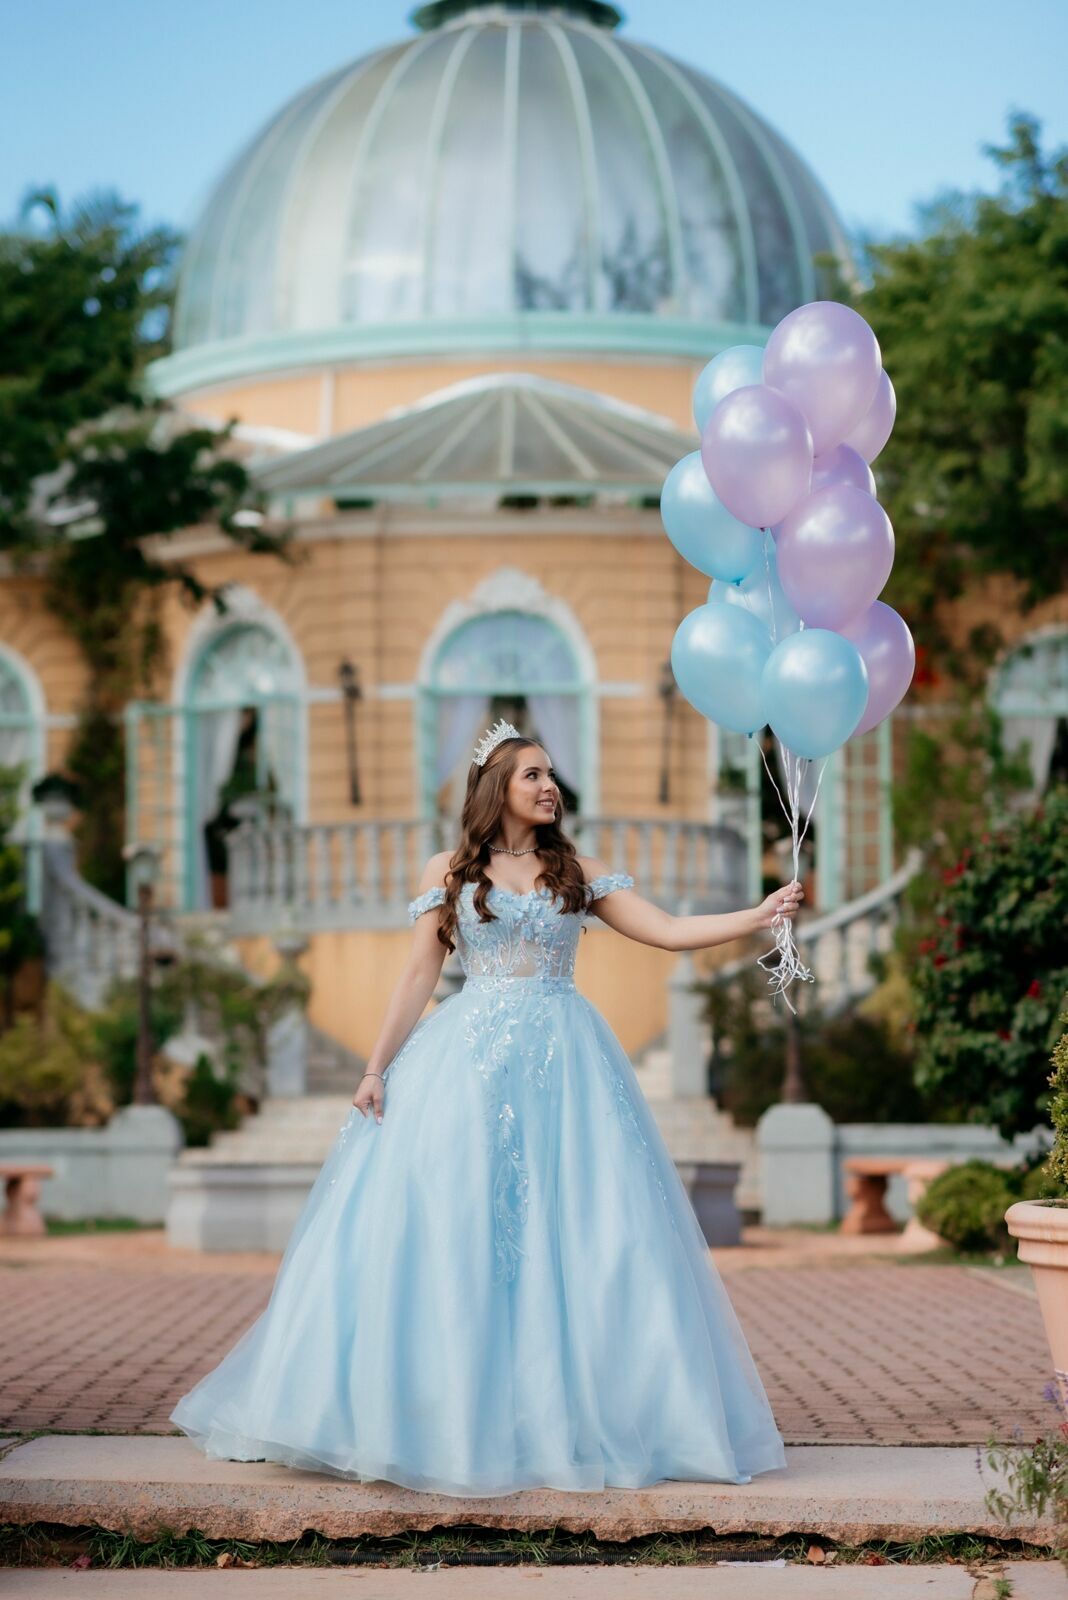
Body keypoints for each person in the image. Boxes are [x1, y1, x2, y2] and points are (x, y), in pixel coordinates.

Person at [170, 719, 803, 1497]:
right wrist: (375, 1069)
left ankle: (588, 1414)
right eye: (532, 774)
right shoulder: (449, 871)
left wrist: (760, 913)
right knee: (462, 1228)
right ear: (496, 788)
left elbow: (668, 931)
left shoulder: (576, 870)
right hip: (468, 1063)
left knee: (584, 1231)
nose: (549, 786)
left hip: (568, 1064)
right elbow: (417, 976)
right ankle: (439, 1416)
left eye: (551, 774)